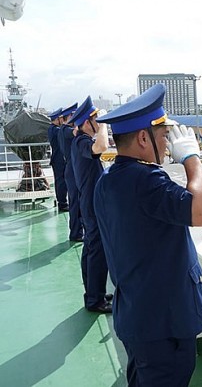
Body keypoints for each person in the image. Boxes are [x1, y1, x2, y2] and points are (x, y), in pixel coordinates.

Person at [95, 84, 202, 386]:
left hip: (139, 316)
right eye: (164, 137)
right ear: (142, 137)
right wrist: (191, 159)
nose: (167, 145)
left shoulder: (108, 180)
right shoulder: (145, 180)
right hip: (164, 325)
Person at [69, 96, 112, 314]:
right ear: (88, 122)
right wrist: (103, 123)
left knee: (91, 249)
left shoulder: (79, 140)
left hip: (90, 200)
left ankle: (94, 293)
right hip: (92, 203)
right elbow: (102, 145)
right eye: (95, 120)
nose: (99, 124)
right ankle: (95, 300)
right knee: (98, 251)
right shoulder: (83, 141)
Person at [58, 103, 83, 241]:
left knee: (77, 201)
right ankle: (76, 233)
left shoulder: (63, 129)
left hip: (72, 167)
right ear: (70, 116)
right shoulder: (66, 129)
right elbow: (75, 132)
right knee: (75, 202)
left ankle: (77, 230)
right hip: (72, 169)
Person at [47, 107, 68, 212]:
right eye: (61, 118)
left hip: (57, 158)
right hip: (59, 159)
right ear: (57, 119)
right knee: (61, 182)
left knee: (60, 181)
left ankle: (62, 201)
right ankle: (62, 203)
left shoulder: (51, 129)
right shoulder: (56, 130)